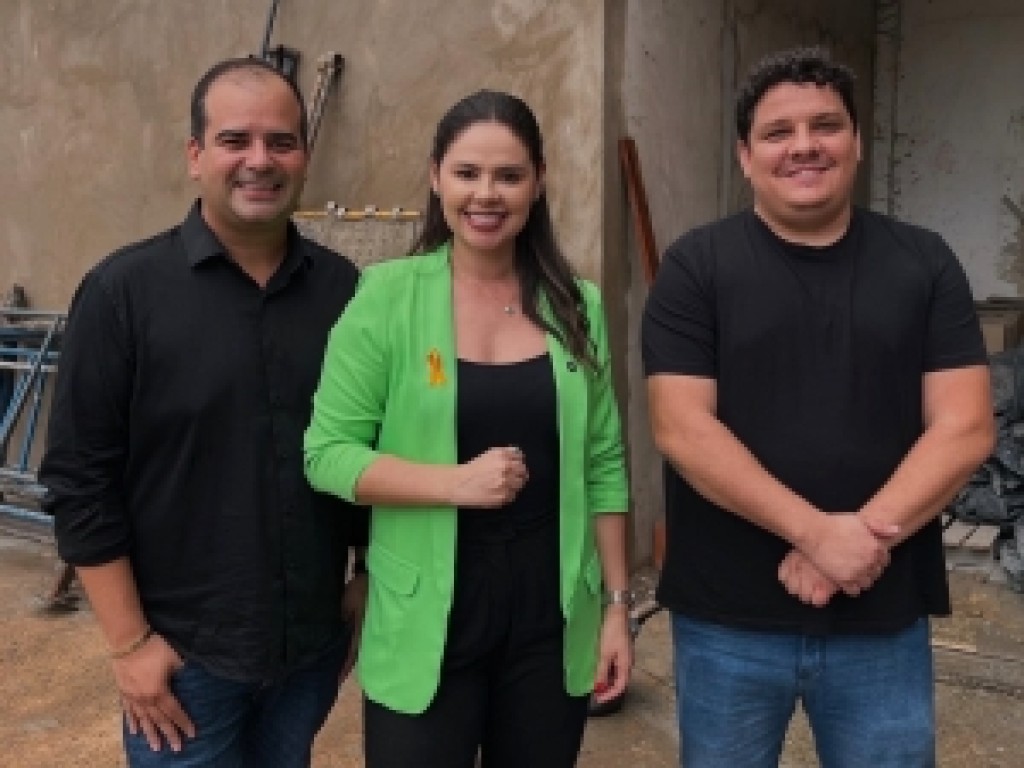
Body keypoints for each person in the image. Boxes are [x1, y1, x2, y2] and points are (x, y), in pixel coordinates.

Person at [641, 46, 995, 768]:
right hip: (728, 620)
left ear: (857, 143)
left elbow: (964, 427)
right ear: (746, 156)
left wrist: (853, 543)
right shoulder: (695, 268)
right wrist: (815, 533)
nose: (804, 145)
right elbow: (682, 427)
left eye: (825, 125)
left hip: (881, 617)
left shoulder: (924, 262)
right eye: (778, 132)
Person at [39, 57, 368, 767]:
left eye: (281, 141)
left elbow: (370, 444)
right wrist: (129, 644)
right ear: (195, 155)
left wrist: (366, 574)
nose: (260, 160)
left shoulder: (344, 292)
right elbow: (78, 479)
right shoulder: (123, 293)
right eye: (234, 140)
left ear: (304, 157)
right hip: (185, 662)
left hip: (309, 650)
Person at [304, 89, 631, 768]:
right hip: (427, 623)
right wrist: (454, 484)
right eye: (467, 173)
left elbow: (604, 463)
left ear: (538, 183)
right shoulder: (387, 297)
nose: (487, 194)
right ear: (436, 178)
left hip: (550, 623)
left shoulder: (578, 305)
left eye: (509, 175)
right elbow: (327, 455)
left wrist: (615, 606)